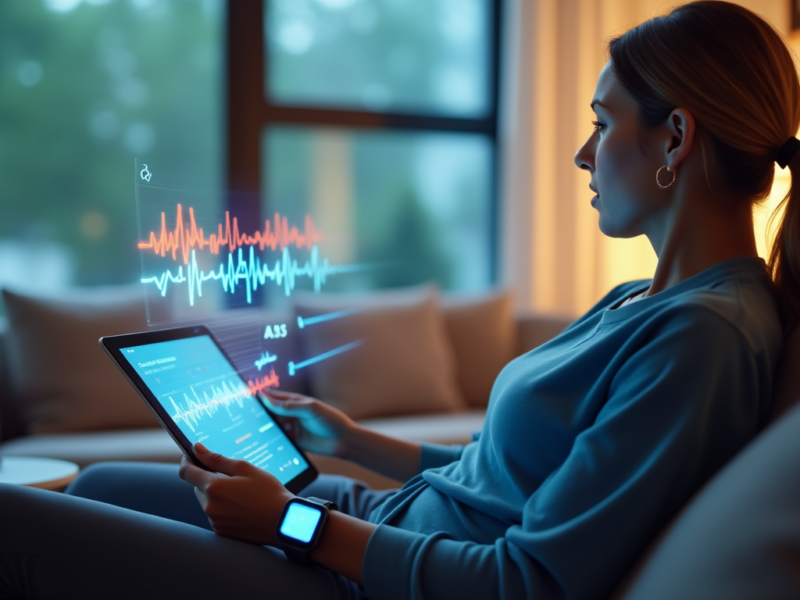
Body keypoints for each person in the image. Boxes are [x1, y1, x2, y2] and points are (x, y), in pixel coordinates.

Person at [1, 2, 798, 598]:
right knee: (102, 480)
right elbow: (514, 477)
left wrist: (287, 522)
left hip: (364, 575)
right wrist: (357, 439)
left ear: (675, 138)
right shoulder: (644, 299)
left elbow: (526, 581)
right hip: (379, 521)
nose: (582, 154)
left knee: (18, 520)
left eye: (601, 122)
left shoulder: (704, 338)